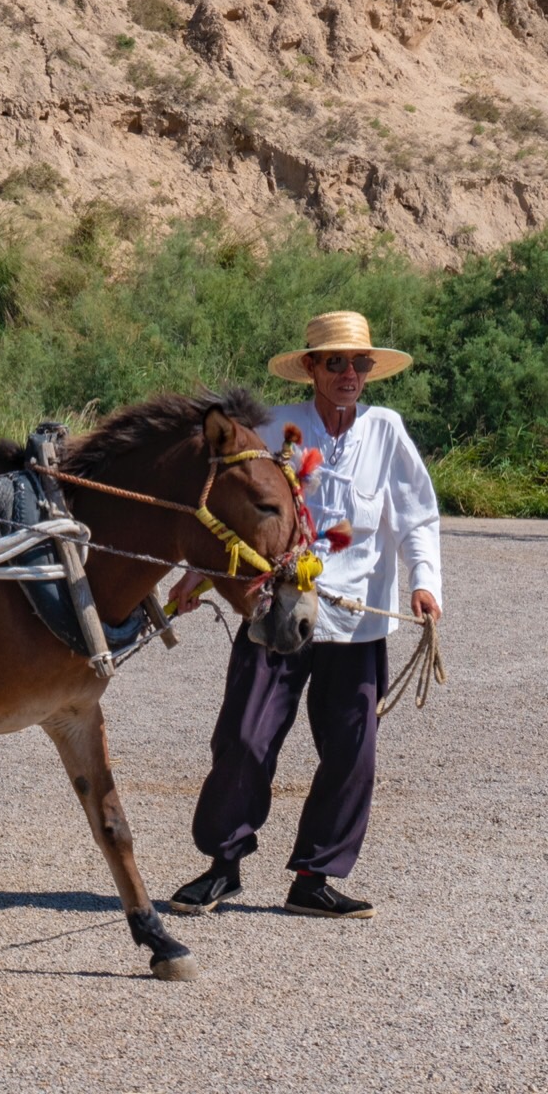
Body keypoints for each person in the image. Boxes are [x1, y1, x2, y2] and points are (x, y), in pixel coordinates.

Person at [167, 311, 442, 921]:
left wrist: (425, 584)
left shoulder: (388, 431)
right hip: (279, 605)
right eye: (336, 362)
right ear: (311, 368)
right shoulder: (274, 429)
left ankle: (314, 878)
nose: (350, 373)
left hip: (356, 622)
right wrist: (197, 574)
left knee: (352, 753)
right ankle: (223, 866)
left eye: (360, 363)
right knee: (244, 736)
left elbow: (417, 516)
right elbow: (233, 511)